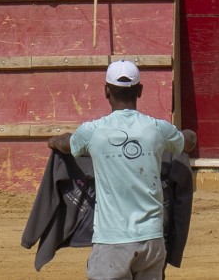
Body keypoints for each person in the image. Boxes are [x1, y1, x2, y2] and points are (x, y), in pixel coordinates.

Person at [48, 60, 197, 280]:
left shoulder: (93, 131)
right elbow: (188, 141)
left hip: (112, 242)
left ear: (106, 91)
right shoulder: (158, 129)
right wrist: (187, 134)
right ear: (140, 90)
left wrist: (53, 141)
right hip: (152, 241)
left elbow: (66, 144)